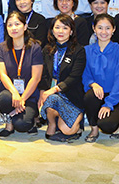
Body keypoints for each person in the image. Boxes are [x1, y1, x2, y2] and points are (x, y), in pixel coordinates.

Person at [82, 14, 119, 142]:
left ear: (114, 29)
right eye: (100, 28)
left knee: (107, 125)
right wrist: (93, 84)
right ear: (94, 28)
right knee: (89, 96)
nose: (104, 32)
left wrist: (109, 104)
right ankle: (94, 129)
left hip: (117, 96)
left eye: (108, 28)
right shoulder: (87, 50)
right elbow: (85, 74)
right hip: (98, 94)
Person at [39, 14, 86, 142]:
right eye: (57, 27)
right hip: (51, 94)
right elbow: (43, 75)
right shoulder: (47, 50)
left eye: (65, 28)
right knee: (51, 98)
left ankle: (72, 121)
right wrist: (43, 92)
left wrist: (54, 89)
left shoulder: (78, 50)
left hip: (71, 95)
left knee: (68, 130)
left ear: (71, 31)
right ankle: (52, 123)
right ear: (52, 30)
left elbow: (74, 77)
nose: (61, 31)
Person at [0, 11, 43, 137]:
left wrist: (22, 99)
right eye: (10, 25)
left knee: (22, 125)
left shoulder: (35, 47)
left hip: (29, 94)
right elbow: (2, 74)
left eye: (17, 24)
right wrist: (15, 93)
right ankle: (9, 125)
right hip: (10, 93)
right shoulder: (2, 47)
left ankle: (31, 120)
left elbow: (36, 77)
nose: (14, 28)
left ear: (25, 26)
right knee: (4, 98)